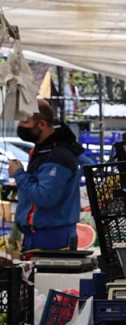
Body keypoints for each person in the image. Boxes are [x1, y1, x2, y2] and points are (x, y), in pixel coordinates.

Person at [10, 101, 85, 250]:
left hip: (54, 236)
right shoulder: (42, 151)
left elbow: (45, 197)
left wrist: (19, 174)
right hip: (35, 234)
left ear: (42, 124)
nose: (20, 126)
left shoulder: (58, 155)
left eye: (25, 121)